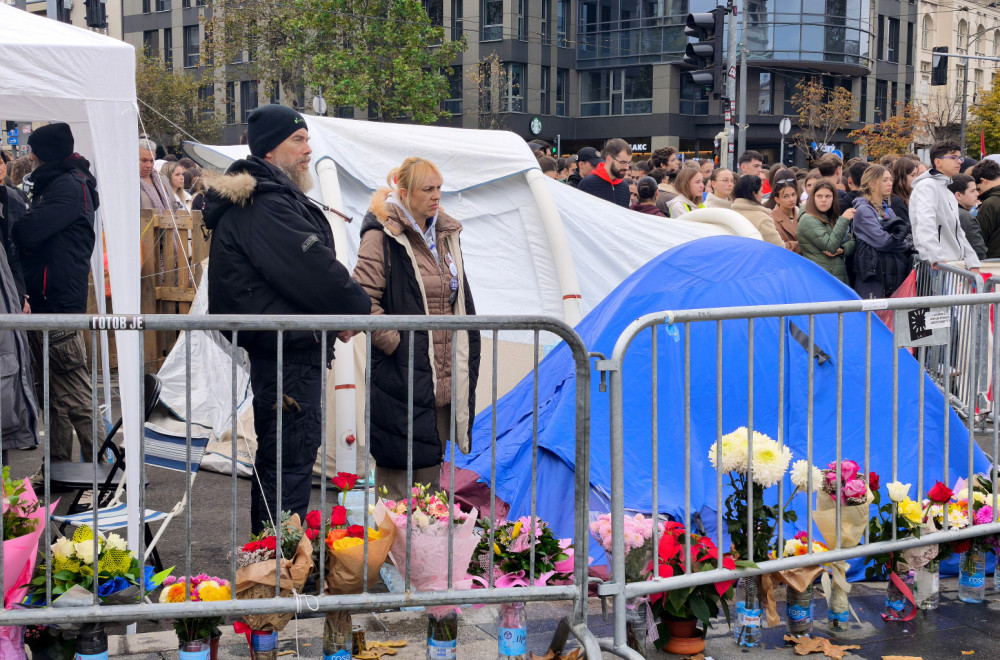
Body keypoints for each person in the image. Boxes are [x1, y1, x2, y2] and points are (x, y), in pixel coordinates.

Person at [203, 104, 372, 533]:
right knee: (288, 461)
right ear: (270, 151)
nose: (307, 149)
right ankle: (280, 569)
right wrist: (356, 308)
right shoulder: (265, 205)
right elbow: (313, 268)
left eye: (307, 139)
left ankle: (276, 565)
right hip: (286, 351)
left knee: (286, 458)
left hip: (290, 346)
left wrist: (335, 319)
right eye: (298, 141)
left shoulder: (269, 197)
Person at [352, 157, 481, 501]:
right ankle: (396, 555)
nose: (437, 196)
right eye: (428, 189)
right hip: (403, 375)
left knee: (429, 481)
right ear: (404, 192)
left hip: (439, 375)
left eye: (439, 188)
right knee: (400, 482)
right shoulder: (381, 235)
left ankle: (425, 555)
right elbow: (361, 298)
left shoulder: (445, 233)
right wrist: (398, 344)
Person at [13, 122, 98, 465]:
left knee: (74, 392)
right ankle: (60, 468)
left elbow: (27, 231)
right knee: (54, 394)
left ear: (43, 154)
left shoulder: (67, 186)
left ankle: (104, 468)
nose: (28, 156)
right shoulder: (61, 183)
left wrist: (17, 212)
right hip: (48, 298)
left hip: (58, 302)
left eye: (32, 150)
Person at [910, 140, 981, 272]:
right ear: (938, 162)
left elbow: (958, 232)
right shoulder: (927, 186)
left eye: (960, 158)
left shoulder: (947, 191)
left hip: (951, 265)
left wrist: (973, 263)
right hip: (938, 266)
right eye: (954, 157)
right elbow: (925, 224)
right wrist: (935, 256)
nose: (960, 161)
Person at [851, 165, 913, 299]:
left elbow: (899, 236)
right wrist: (904, 244)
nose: (890, 183)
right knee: (872, 317)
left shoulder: (888, 210)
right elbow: (884, 241)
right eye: (885, 180)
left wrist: (899, 240)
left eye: (891, 179)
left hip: (890, 273)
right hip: (872, 276)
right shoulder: (863, 210)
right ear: (872, 184)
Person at [798, 179, 856, 284]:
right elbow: (830, 247)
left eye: (828, 196)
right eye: (819, 196)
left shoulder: (830, 216)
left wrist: (843, 249)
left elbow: (852, 241)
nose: (824, 200)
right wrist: (844, 219)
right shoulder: (807, 219)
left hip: (835, 276)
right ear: (812, 198)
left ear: (833, 198)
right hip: (821, 280)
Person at [731, 175, 784, 246]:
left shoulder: (731, 213)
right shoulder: (762, 219)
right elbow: (779, 247)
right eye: (761, 191)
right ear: (754, 194)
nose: (762, 195)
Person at [577, 138, 632, 207]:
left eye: (629, 163)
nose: (627, 167)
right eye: (623, 162)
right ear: (609, 159)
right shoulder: (587, 184)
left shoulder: (625, 187)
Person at [948, 173, 987, 260]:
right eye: (972, 191)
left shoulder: (944, 211)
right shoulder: (965, 217)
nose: (977, 194)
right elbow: (978, 251)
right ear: (958, 195)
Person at [971, 158, 1000, 258]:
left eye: (977, 189)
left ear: (984, 181)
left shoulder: (990, 204)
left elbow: (980, 237)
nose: (977, 193)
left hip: (993, 263)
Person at [768, 171, 801, 253]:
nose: (791, 199)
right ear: (777, 199)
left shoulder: (802, 213)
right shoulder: (771, 219)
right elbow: (779, 247)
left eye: (793, 194)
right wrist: (804, 245)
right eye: (785, 196)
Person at [139, 139, 173, 211]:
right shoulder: (127, 183)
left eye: (151, 161)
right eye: (144, 160)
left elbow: (173, 206)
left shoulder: (162, 179)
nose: (148, 165)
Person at [889, 157, 918, 225]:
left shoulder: (908, 196)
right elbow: (907, 226)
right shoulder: (896, 201)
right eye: (912, 175)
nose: (916, 178)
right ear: (902, 176)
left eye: (916, 175)